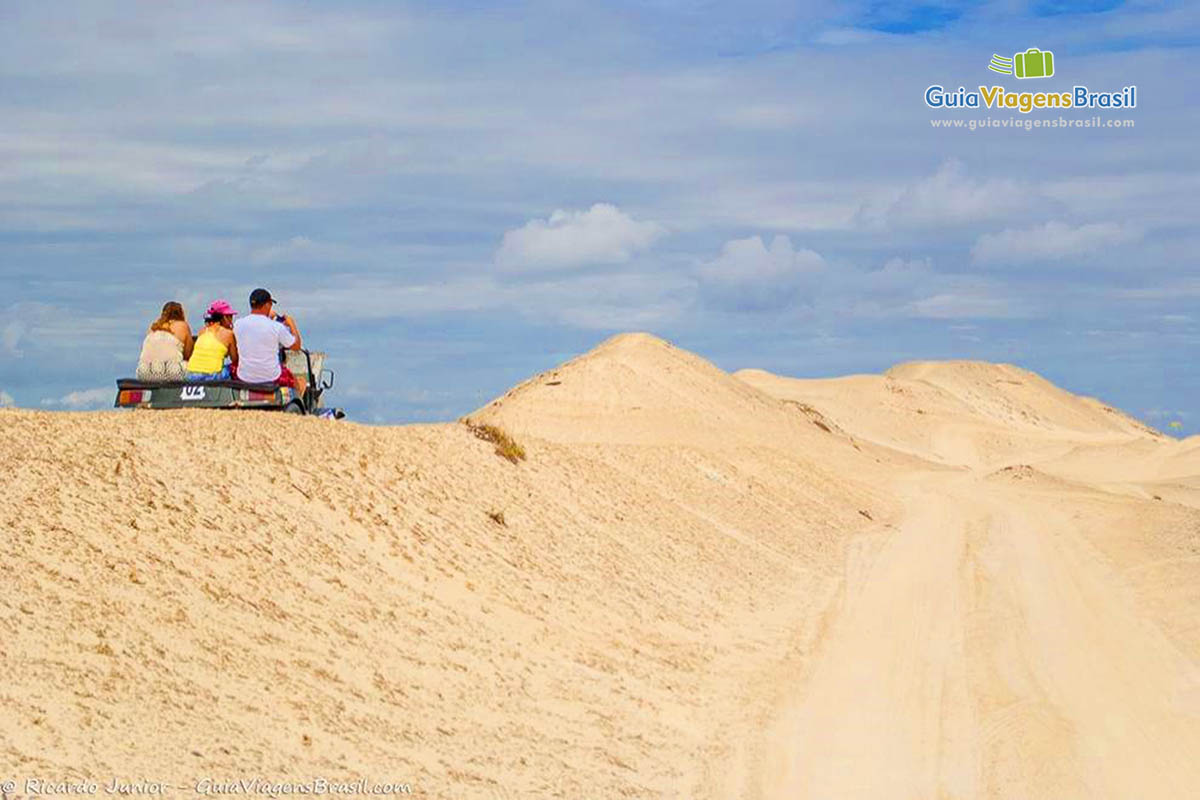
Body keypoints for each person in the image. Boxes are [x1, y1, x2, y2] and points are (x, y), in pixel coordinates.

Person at [232, 288, 306, 394]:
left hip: (244, 376)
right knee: (298, 381)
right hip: (271, 377)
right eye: (270, 304)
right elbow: (296, 346)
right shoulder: (277, 327)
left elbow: (256, 331)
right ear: (267, 305)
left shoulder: (238, 324)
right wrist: (291, 324)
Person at [136, 301, 193, 381]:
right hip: (170, 371)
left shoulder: (153, 327)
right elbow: (188, 354)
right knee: (193, 368)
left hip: (144, 372)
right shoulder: (182, 325)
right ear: (181, 314)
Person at [185, 300, 239, 381]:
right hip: (212, 376)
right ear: (224, 317)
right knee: (233, 367)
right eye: (230, 316)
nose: (231, 320)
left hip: (191, 374)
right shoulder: (228, 334)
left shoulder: (202, 331)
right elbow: (235, 359)